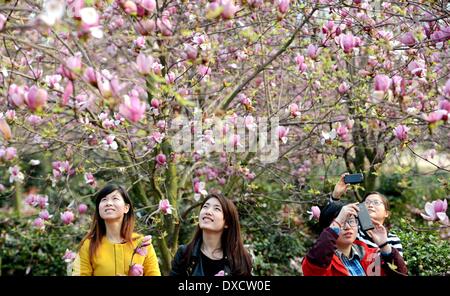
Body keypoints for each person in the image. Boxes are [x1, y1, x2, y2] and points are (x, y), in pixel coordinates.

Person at [72, 183, 161, 276]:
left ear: (126, 208)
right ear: (99, 209)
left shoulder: (142, 243)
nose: (108, 203)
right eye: (104, 200)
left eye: (115, 199)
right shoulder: (89, 245)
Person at [302, 201, 407, 276]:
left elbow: (400, 273)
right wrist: (338, 221)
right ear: (328, 228)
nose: (347, 227)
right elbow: (317, 260)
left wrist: (384, 246)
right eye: (342, 222)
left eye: (351, 221)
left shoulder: (370, 255)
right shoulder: (319, 260)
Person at [170, 193, 252, 276]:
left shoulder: (240, 260)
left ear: (227, 222)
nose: (208, 212)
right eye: (205, 207)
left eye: (216, 209)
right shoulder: (184, 254)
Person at [331, 174, 403, 256]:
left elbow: (397, 267)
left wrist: (384, 246)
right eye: (367, 203)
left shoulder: (393, 239)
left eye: (376, 202)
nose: (370, 205)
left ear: (386, 213)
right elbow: (332, 221)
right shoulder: (354, 231)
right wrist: (335, 196)